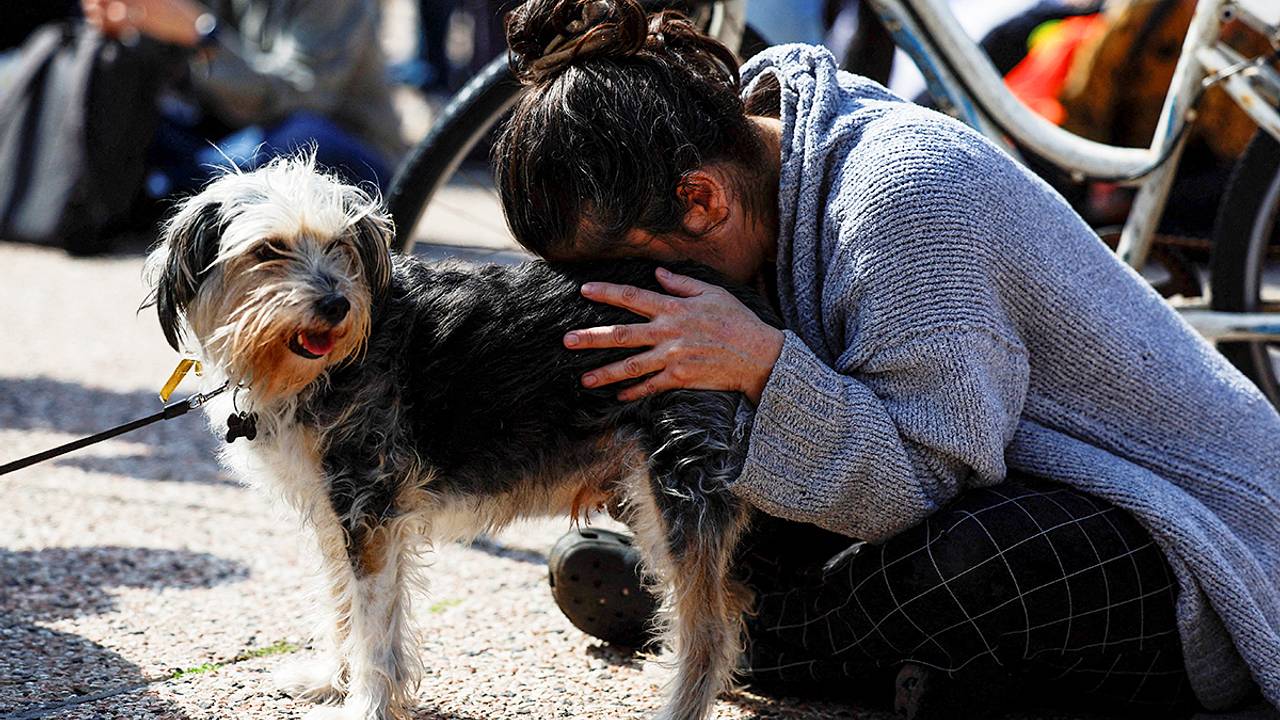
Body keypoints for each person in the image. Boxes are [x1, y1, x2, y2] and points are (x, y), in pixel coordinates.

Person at [491, 1, 1280, 718]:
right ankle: (755, 617)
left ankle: (734, 630)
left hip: (1191, 541)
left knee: (976, 560)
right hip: (990, 471)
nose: (614, 296)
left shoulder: (900, 196)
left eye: (620, 273)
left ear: (701, 201)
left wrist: (762, 364)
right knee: (703, 501)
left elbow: (921, 479)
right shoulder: (766, 173)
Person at [81, 0, 404, 193]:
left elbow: (300, 96)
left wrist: (201, 36)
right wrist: (135, 23)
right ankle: (172, 185)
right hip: (233, 134)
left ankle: (171, 186)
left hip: (346, 145)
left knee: (298, 139)